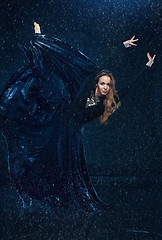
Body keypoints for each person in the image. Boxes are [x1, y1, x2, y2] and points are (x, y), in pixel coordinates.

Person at [0, 23, 155, 212]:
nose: (105, 87)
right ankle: (39, 40)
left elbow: (128, 88)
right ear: (97, 84)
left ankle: (57, 197)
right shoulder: (89, 85)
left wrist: (146, 68)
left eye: (108, 85)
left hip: (71, 134)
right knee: (37, 144)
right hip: (56, 118)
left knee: (64, 169)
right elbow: (107, 63)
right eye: (102, 83)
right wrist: (122, 46)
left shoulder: (105, 104)